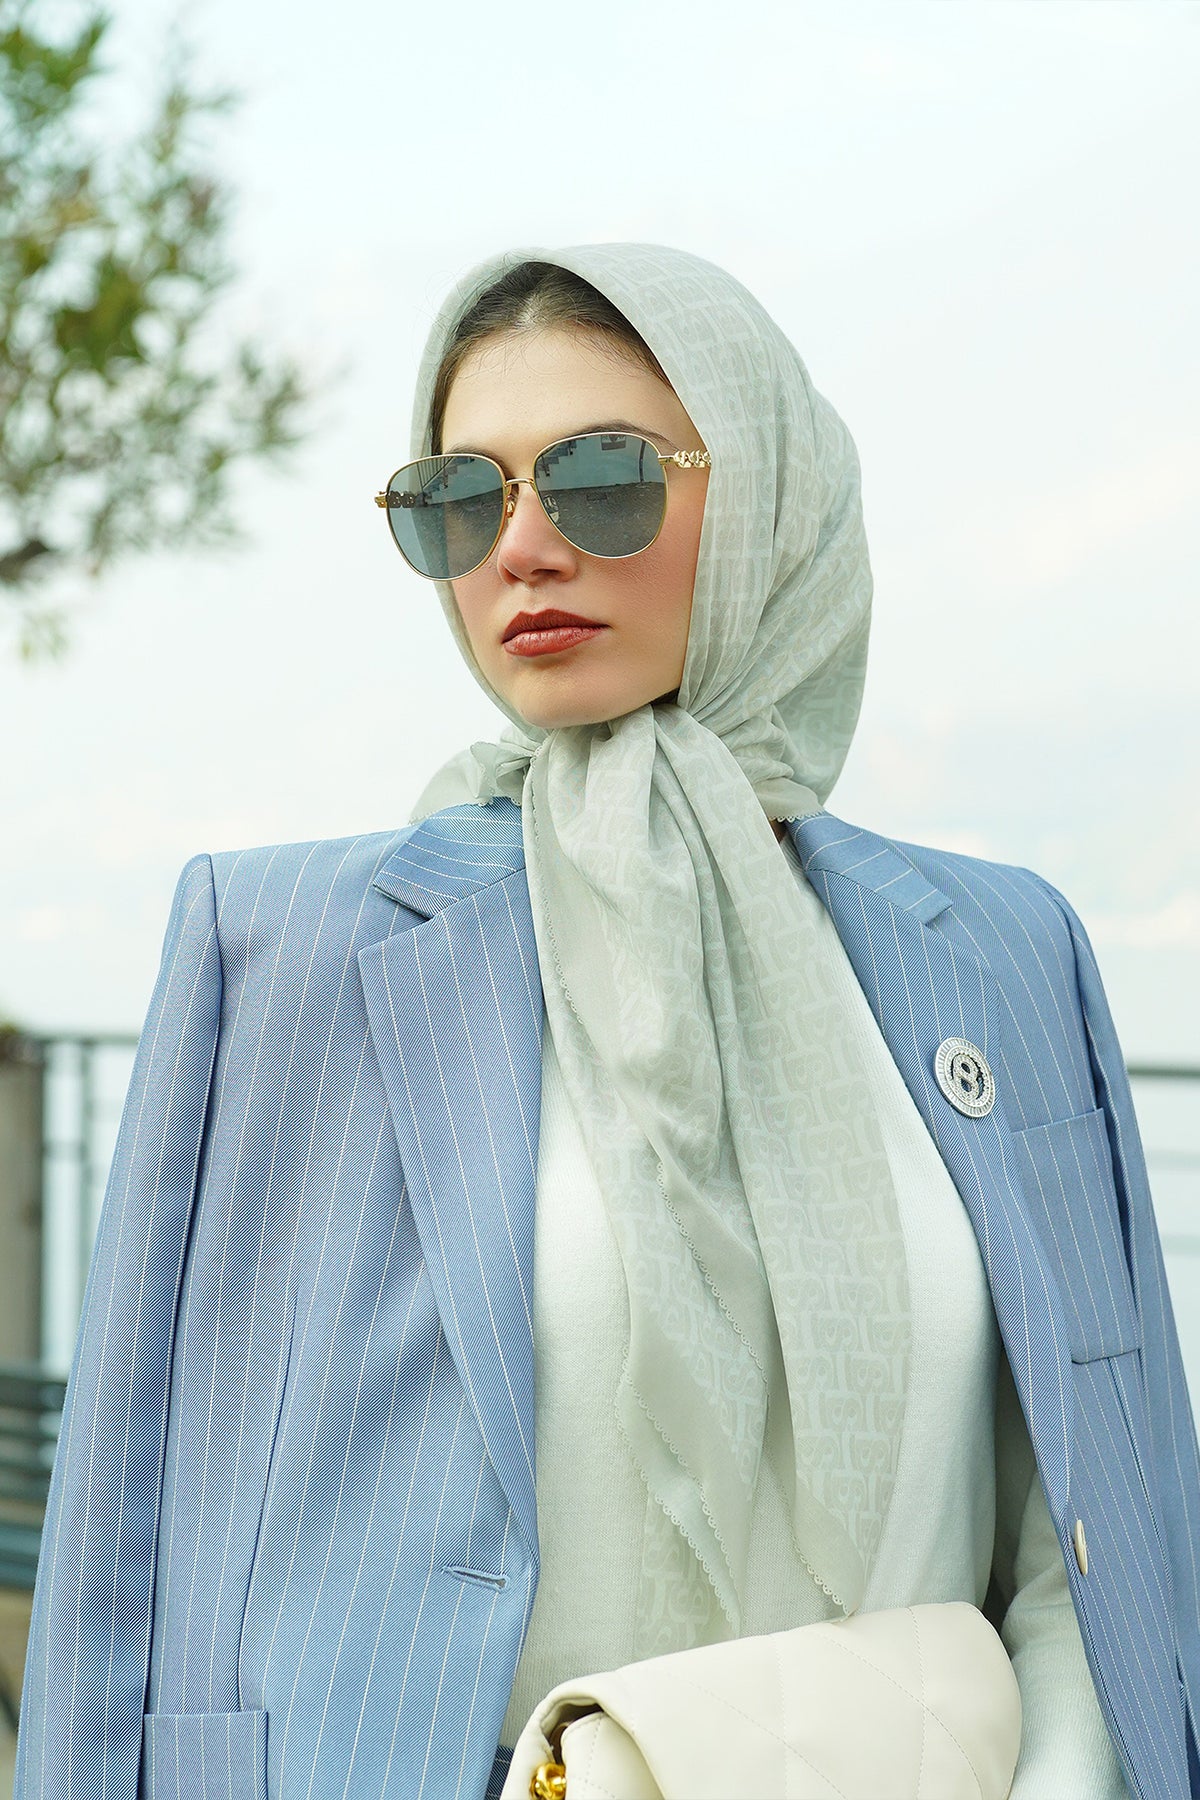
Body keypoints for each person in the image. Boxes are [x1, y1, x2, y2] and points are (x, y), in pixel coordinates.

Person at [15, 244, 1199, 1800]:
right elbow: (119, 1538)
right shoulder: (278, 949)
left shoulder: (1001, 952)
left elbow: (1093, 1515)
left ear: (767, 499)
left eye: (601, 479)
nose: (522, 547)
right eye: (459, 500)